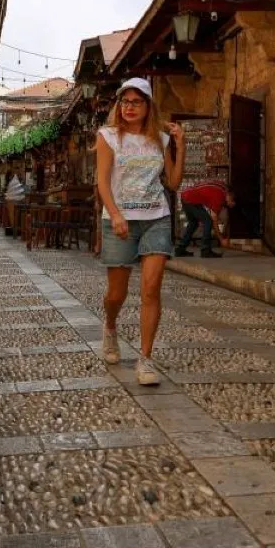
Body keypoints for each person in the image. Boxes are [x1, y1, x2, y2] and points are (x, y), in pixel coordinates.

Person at [95, 78, 184, 386]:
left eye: (136, 102)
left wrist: (180, 144)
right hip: (119, 221)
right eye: (125, 102)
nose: (129, 107)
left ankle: (145, 359)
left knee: (151, 289)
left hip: (156, 217)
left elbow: (172, 182)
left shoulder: (160, 138)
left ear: (149, 106)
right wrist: (116, 214)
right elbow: (102, 181)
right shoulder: (108, 137)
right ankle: (109, 327)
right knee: (116, 294)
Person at [174, 180, 236, 258]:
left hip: (185, 196)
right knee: (208, 221)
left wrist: (224, 233)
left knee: (193, 222)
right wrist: (221, 239)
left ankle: (180, 249)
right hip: (191, 199)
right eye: (231, 201)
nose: (229, 204)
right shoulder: (220, 196)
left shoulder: (222, 188)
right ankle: (205, 250)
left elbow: (224, 216)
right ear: (230, 195)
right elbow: (214, 219)